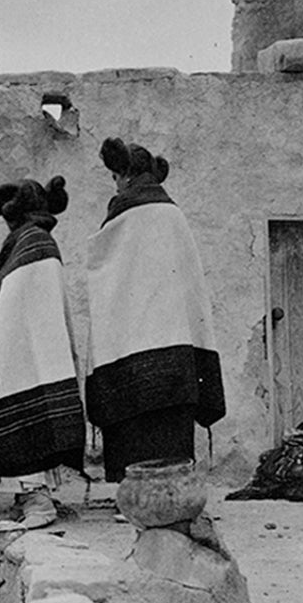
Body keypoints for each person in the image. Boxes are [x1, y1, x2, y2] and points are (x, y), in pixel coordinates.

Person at [83, 138, 225, 479]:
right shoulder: (173, 215)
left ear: (125, 176)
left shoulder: (121, 218)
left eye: (115, 178)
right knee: (170, 436)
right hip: (176, 352)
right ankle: (172, 495)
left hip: (130, 353)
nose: (115, 186)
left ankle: (132, 496)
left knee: (131, 427)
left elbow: (106, 277)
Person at [0, 177, 86, 519]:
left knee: (18, 415)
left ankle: (36, 500)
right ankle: (27, 497)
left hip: (18, 349)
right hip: (37, 349)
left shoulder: (30, 242)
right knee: (35, 417)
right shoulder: (39, 240)